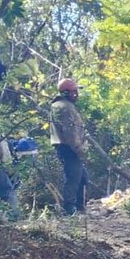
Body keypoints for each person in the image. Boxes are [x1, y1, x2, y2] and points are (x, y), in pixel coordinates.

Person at [49, 78, 88, 215]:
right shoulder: (65, 107)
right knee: (74, 177)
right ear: (67, 93)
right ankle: (70, 209)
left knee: (82, 177)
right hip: (68, 147)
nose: (76, 94)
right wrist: (79, 148)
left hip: (66, 146)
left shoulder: (61, 105)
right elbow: (70, 132)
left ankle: (80, 208)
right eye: (74, 91)